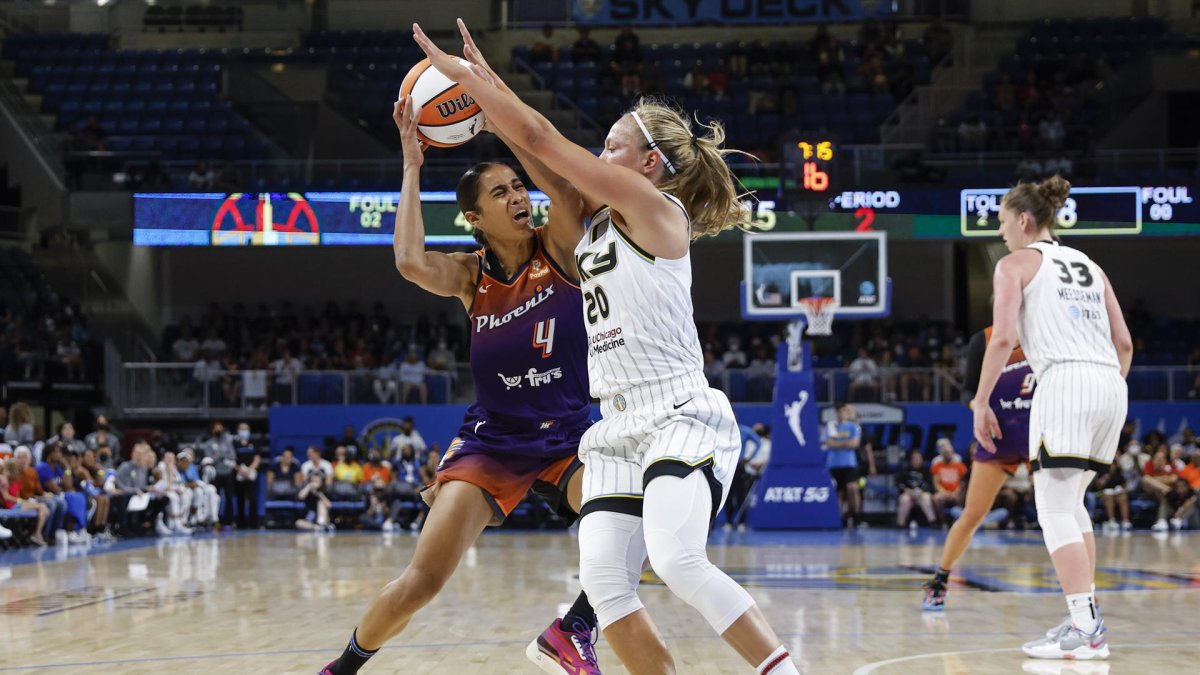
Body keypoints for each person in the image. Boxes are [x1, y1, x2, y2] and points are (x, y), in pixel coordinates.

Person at [413, 22, 800, 674]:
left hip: (677, 411)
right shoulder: (593, 221)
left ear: (648, 163)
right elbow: (536, 152)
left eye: (612, 146)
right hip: (616, 424)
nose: (597, 153)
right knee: (603, 584)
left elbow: (544, 141)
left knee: (677, 559)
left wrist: (469, 83)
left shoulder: (655, 209)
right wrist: (489, 87)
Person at [320, 72, 602, 674]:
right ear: (474, 217)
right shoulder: (472, 277)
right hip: (494, 442)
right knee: (422, 581)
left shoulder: (558, 247)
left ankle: (573, 628)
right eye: (500, 193)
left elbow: (567, 192)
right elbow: (408, 260)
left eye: (518, 186)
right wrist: (411, 164)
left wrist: (503, 119)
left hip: (571, 435)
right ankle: (339, 669)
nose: (518, 196)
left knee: (632, 522)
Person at [971, 176, 1131, 660]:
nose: (1000, 233)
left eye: (1003, 223)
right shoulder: (1091, 266)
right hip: (1111, 383)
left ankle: (1086, 626)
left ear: (1024, 220)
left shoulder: (1014, 264)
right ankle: (1085, 617)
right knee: (1073, 503)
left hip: (1064, 380)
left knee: (1054, 509)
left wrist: (981, 401)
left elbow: (1002, 338)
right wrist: (1105, 386)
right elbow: (1124, 343)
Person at [922, 326, 1035, 610]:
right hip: (998, 436)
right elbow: (967, 391)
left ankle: (1084, 598)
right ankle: (939, 580)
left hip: (1040, 434)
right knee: (972, 515)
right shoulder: (983, 340)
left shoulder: (1047, 329)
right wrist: (979, 407)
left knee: (1061, 515)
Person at [824, 403, 865, 528]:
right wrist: (845, 443)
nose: (842, 414)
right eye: (840, 411)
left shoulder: (854, 426)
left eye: (845, 411)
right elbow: (829, 443)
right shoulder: (831, 425)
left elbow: (855, 444)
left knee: (852, 487)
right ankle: (838, 518)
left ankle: (855, 515)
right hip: (834, 464)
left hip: (849, 463)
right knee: (838, 492)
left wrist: (838, 443)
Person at [896, 450, 936, 529]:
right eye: (914, 458)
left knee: (926, 498)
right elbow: (898, 483)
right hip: (908, 493)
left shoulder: (926, 470)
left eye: (918, 458)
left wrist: (922, 491)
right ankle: (900, 524)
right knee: (905, 500)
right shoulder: (904, 470)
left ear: (922, 459)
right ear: (911, 460)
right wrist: (906, 490)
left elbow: (930, 484)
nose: (916, 460)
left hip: (922, 493)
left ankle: (933, 522)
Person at [232, 422, 261, 529]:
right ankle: (241, 523)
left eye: (245, 429)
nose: (243, 431)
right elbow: (231, 459)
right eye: (241, 429)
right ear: (238, 431)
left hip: (251, 473)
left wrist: (249, 469)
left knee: (253, 499)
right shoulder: (234, 444)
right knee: (240, 499)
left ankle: (253, 523)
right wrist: (239, 469)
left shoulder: (254, 443)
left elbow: (257, 458)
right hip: (239, 474)